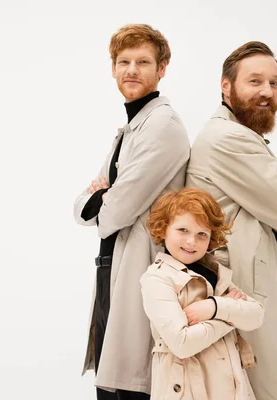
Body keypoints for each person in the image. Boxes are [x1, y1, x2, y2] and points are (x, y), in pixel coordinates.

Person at [185, 41, 277, 400]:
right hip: (236, 290)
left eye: (274, 83)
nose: (267, 92)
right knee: (260, 389)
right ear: (225, 86)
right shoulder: (227, 137)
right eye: (255, 81)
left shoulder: (236, 133)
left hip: (238, 286)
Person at [72, 24, 190, 399]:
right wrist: (102, 198)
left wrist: (105, 198)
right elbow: (81, 207)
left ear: (162, 68)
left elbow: (114, 212)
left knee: (133, 386)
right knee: (111, 384)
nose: (131, 70)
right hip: (111, 267)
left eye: (143, 61)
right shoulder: (129, 129)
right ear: (113, 69)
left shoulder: (163, 126)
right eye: (123, 61)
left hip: (143, 271)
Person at [140, 187, 265, 400]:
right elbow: (182, 343)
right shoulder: (157, 279)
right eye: (183, 230)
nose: (191, 241)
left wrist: (214, 307)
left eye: (201, 234)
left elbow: (256, 315)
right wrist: (230, 316)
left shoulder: (214, 272)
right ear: (163, 230)